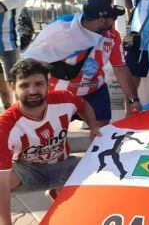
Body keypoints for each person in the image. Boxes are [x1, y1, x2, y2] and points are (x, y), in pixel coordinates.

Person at [0, 59, 101, 222]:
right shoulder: (5, 125)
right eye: (24, 85)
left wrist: (93, 126)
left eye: (39, 84)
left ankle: (59, 191)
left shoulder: (65, 98)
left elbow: (82, 105)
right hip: (27, 171)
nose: (32, 91)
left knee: (104, 169)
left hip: (63, 164)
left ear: (48, 85)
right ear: (13, 87)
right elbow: (2, 185)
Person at [23, 0, 142, 124]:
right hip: (60, 92)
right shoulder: (60, 29)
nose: (115, 20)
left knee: (101, 133)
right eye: (113, 17)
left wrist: (134, 99)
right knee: (54, 134)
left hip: (94, 90)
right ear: (101, 20)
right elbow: (29, 61)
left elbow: (120, 68)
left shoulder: (113, 36)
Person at [0, 0, 27, 109]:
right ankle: (8, 117)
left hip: (8, 46)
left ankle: (22, 118)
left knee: (15, 86)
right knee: (3, 89)